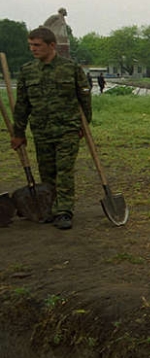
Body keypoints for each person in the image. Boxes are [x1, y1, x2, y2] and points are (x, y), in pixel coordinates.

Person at [11, 27, 92, 230]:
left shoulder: (71, 69)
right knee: (47, 172)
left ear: (52, 45)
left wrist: (85, 125)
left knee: (64, 170)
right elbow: (22, 105)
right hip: (41, 130)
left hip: (67, 129)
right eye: (30, 45)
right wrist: (18, 133)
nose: (33, 49)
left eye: (37, 45)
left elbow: (84, 99)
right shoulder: (28, 71)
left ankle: (64, 211)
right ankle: (50, 206)